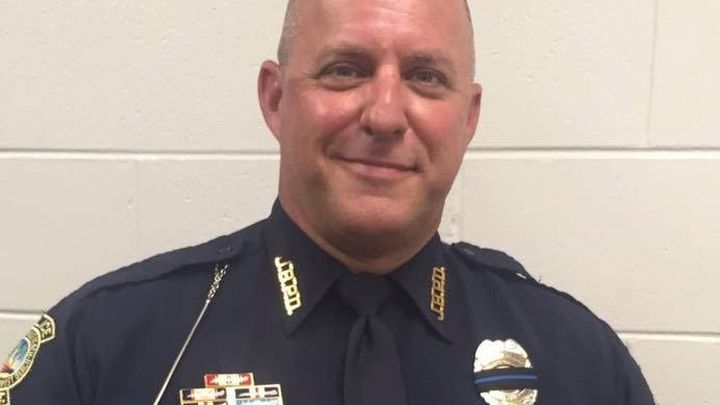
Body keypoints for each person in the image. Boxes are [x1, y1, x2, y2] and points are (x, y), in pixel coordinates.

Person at [0, 0, 655, 404]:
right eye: (346, 69)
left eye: (426, 77)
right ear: (275, 98)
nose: (385, 114)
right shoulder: (109, 346)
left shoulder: (580, 363)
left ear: (469, 117)